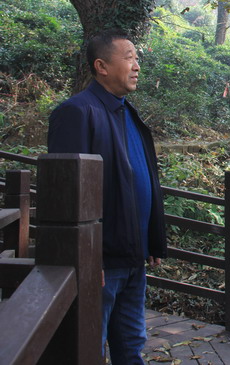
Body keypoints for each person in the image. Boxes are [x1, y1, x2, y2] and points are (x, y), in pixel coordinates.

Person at [48, 29, 167, 364]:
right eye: (129, 58)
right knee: (89, 346)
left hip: (132, 257)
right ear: (101, 66)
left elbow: (144, 181)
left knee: (131, 344)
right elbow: (65, 194)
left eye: (137, 58)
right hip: (100, 263)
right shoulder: (77, 112)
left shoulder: (129, 114)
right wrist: (90, 258)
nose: (137, 66)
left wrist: (152, 239)